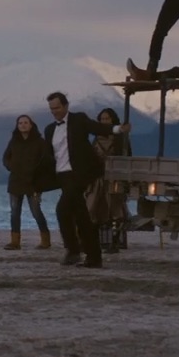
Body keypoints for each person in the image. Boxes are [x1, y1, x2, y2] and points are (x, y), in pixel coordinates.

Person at [42, 92, 131, 269]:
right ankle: (93, 257)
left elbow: (97, 128)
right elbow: (49, 155)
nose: (54, 112)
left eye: (57, 108)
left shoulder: (78, 120)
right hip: (63, 176)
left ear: (66, 106)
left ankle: (74, 250)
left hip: (78, 175)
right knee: (82, 216)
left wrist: (118, 129)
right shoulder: (50, 129)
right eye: (51, 109)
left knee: (62, 210)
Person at [1, 114, 53, 250]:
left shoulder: (40, 142)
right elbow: (5, 157)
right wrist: (11, 166)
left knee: (36, 211)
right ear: (17, 126)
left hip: (33, 183)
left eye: (25, 122)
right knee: (14, 212)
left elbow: (47, 161)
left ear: (31, 125)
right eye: (20, 123)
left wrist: (38, 175)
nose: (23, 125)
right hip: (15, 182)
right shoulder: (14, 141)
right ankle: (15, 242)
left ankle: (45, 240)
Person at [85, 107, 130, 254]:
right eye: (102, 119)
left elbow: (126, 158)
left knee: (115, 209)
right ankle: (93, 241)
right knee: (92, 208)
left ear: (112, 120)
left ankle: (115, 242)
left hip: (114, 178)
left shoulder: (120, 138)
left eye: (107, 119)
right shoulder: (96, 138)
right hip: (97, 178)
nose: (104, 121)